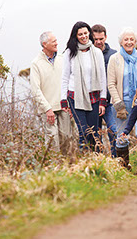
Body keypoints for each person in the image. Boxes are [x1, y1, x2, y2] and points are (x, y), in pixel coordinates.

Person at [107, 27, 137, 174]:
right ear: (121, 42)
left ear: (135, 41)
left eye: (131, 39)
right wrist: (118, 104)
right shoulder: (114, 59)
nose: (129, 42)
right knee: (122, 136)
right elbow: (111, 84)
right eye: (126, 39)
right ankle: (123, 168)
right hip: (122, 103)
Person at [61, 21, 107, 152]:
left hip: (94, 97)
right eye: (80, 34)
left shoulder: (96, 52)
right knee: (84, 132)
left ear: (89, 34)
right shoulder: (70, 53)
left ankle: (97, 161)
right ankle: (84, 161)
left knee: (94, 133)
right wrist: (63, 100)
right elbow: (65, 77)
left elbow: (103, 77)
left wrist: (103, 101)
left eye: (85, 33)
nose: (83, 36)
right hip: (76, 97)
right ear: (75, 36)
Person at [30, 31, 72, 154]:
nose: (56, 43)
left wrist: (69, 103)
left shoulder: (62, 59)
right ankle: (53, 166)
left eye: (56, 40)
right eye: (53, 41)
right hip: (48, 109)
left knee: (66, 138)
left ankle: (66, 166)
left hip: (63, 106)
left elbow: (69, 82)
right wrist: (47, 108)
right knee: (52, 140)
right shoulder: (36, 63)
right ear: (44, 44)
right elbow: (35, 89)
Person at [91, 24, 117, 158]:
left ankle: (117, 161)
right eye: (95, 39)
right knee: (94, 134)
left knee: (114, 130)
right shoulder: (87, 55)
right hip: (93, 102)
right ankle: (99, 162)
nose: (99, 42)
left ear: (105, 37)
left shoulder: (114, 55)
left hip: (110, 101)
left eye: (101, 38)